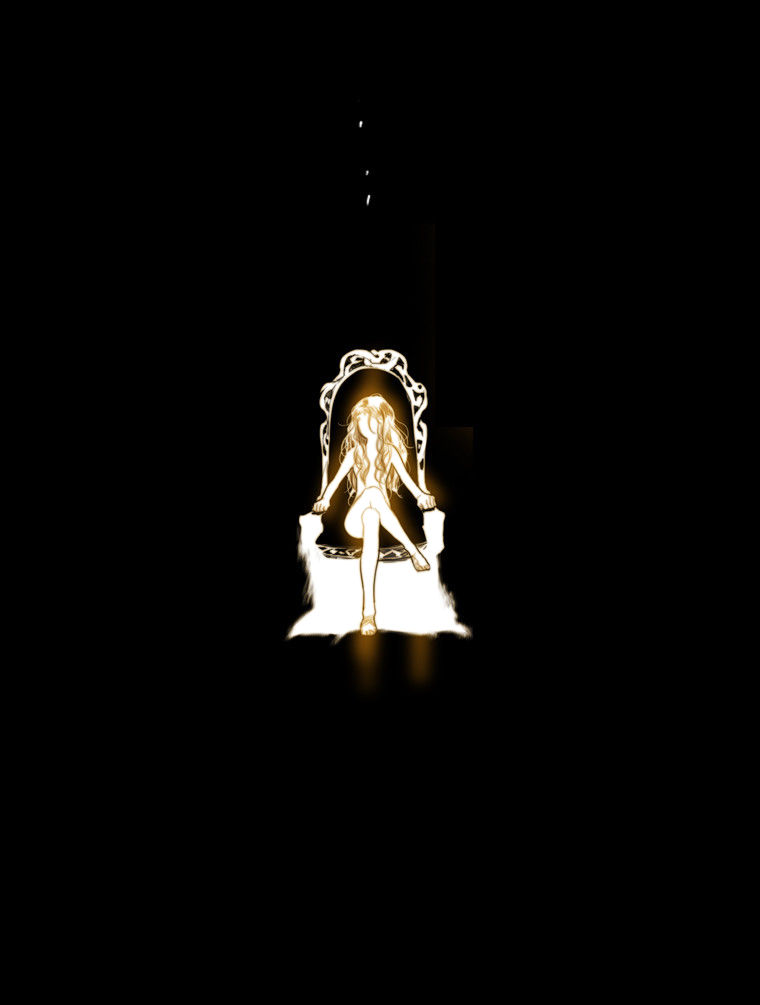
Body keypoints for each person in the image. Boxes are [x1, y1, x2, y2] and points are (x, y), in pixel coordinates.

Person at [312, 394, 436, 636]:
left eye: (371, 419)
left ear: (382, 422)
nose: (365, 425)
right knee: (372, 492)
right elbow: (334, 483)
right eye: (361, 419)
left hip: (377, 518)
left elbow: (410, 484)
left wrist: (422, 496)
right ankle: (413, 550)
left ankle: (368, 613)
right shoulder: (354, 453)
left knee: (372, 515)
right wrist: (324, 499)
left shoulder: (390, 452)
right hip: (353, 520)